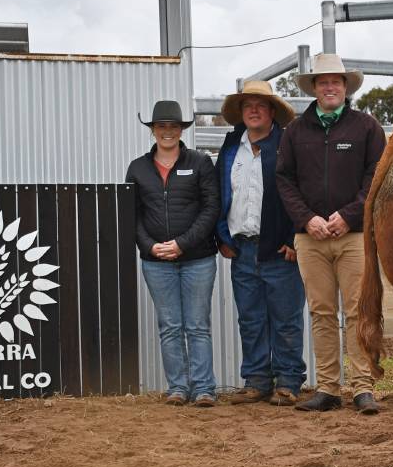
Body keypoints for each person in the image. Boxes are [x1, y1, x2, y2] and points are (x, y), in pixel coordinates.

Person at [276, 53, 386, 415]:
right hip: (310, 239)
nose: (329, 87)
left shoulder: (366, 128)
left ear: (345, 87)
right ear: (313, 88)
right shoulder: (295, 131)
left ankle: (362, 387)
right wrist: (307, 220)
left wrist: (349, 214)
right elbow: (285, 180)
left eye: (335, 81)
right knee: (321, 312)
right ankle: (327, 387)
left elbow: (375, 178)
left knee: (357, 311)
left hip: (353, 236)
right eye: (322, 82)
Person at [214, 81, 306, 406]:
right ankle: (256, 381)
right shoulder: (229, 150)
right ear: (241, 112)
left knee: (286, 319)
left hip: (280, 249)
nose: (253, 110)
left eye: (260, 104)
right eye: (247, 105)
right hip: (242, 249)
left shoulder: (286, 146)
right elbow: (219, 195)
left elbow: (300, 193)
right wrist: (222, 237)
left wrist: (296, 238)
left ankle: (289, 382)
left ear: (272, 112)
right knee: (250, 318)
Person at [127, 100, 221, 407]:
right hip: (155, 262)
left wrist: (182, 243)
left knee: (197, 324)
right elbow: (132, 215)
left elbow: (211, 210)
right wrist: (149, 246)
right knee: (169, 325)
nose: (167, 132)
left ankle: (204, 389)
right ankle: (178, 388)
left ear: (182, 130)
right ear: (153, 130)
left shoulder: (200, 162)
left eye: (173, 127)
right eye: (161, 127)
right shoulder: (137, 168)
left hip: (198, 258)